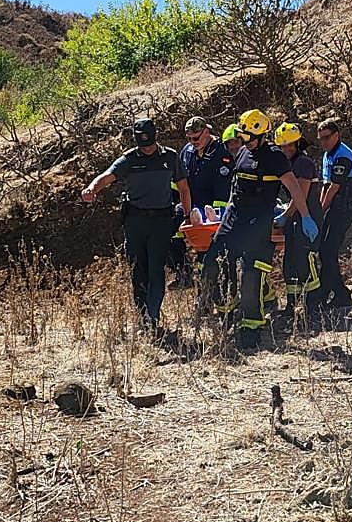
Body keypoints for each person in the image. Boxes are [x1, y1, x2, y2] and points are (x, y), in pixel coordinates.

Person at [200, 109, 317, 349]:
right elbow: (236, 186)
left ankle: (252, 324)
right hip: (234, 218)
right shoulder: (243, 152)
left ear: (262, 135)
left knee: (251, 275)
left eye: (250, 138)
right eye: (243, 138)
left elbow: (294, 186)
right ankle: (226, 311)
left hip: (258, 222)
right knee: (214, 262)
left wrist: (304, 215)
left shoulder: (275, 157)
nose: (246, 142)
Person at [81, 117, 190, 332]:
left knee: (156, 271)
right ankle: (143, 318)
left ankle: (153, 317)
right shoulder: (129, 159)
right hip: (136, 222)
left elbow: (184, 188)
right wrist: (92, 189)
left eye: (150, 144)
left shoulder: (170, 157)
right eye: (142, 145)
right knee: (139, 272)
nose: (147, 149)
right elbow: (107, 176)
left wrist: (187, 216)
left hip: (161, 221)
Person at [169, 116, 235, 287]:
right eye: (189, 139)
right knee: (167, 228)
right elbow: (179, 183)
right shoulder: (187, 151)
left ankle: (209, 289)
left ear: (206, 131)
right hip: (191, 206)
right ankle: (183, 273)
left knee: (206, 253)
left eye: (196, 138)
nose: (192, 142)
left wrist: (215, 219)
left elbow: (223, 189)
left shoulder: (221, 151)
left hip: (213, 211)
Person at [307, 118, 352, 313]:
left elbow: (334, 188)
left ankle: (332, 293)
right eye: (320, 139)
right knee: (325, 250)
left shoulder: (343, 156)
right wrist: (319, 211)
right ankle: (339, 293)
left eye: (326, 138)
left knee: (328, 250)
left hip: (346, 207)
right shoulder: (328, 155)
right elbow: (325, 185)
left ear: (336, 136)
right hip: (336, 207)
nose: (323, 142)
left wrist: (321, 211)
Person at [273, 122, 322, 317]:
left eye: (290, 145)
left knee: (304, 259)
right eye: (282, 146)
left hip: (307, 216)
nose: (286, 149)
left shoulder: (303, 163)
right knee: (290, 263)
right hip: (295, 217)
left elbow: (300, 194)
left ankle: (314, 303)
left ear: (297, 143)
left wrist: (285, 215)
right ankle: (292, 304)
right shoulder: (287, 164)